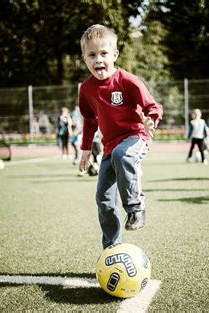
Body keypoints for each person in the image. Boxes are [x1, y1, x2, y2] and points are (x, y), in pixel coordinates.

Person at [78, 24, 163, 249]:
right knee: (104, 200)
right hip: (109, 148)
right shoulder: (86, 89)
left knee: (123, 154)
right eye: (92, 55)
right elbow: (89, 120)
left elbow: (153, 105)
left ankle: (136, 208)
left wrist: (151, 119)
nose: (98, 60)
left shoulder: (127, 80)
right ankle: (112, 249)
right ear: (84, 58)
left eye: (104, 53)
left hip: (135, 137)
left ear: (114, 55)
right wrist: (86, 148)